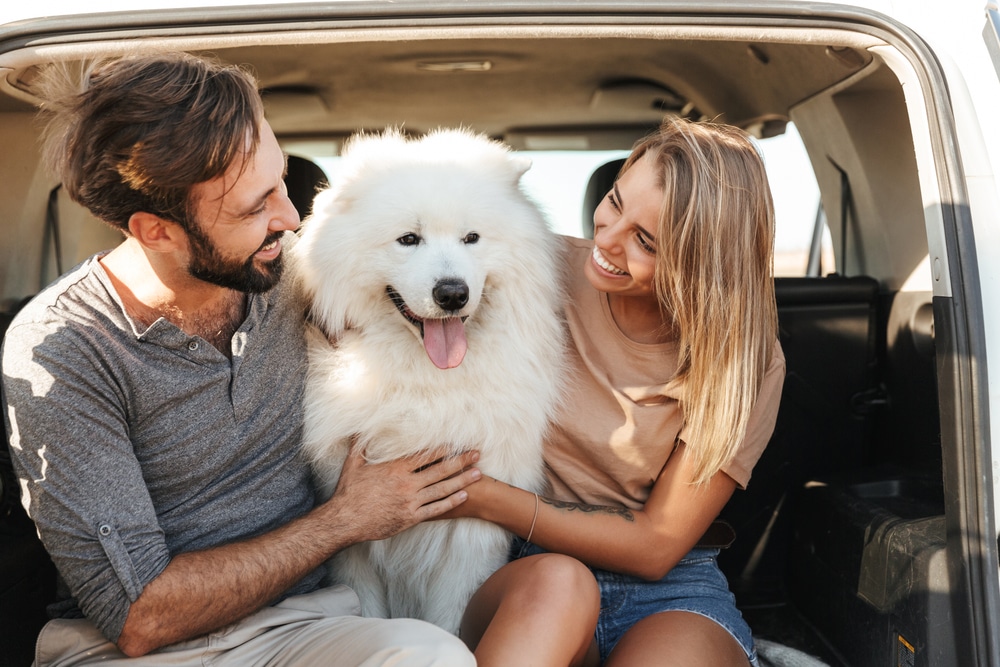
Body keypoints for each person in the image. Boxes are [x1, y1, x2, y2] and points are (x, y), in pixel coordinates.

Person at [1, 52, 481, 666]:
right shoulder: (65, 349)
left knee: (431, 656)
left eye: (281, 180)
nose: (288, 216)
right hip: (133, 652)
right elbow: (139, 616)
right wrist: (344, 520)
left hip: (304, 627)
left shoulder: (297, 271)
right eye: (255, 208)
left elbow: (491, 263)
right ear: (157, 231)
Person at [452, 117, 786, 667]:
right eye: (613, 201)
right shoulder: (528, 263)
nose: (606, 240)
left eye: (645, 241)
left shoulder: (745, 357)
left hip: (673, 589)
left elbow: (658, 546)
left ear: (699, 265)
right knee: (559, 584)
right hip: (526, 570)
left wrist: (483, 495)